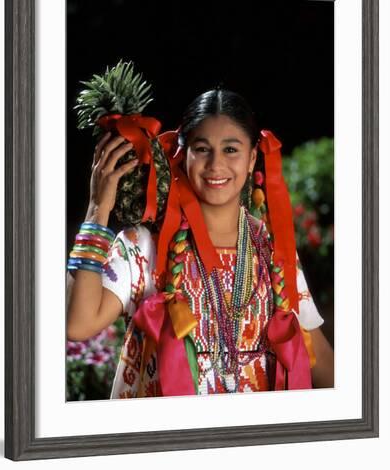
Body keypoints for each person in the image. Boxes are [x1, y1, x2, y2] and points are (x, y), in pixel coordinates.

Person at [66, 89, 334, 398]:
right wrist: (97, 209)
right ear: (183, 154)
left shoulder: (272, 247)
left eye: (231, 149)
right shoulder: (142, 246)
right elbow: (78, 324)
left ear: (252, 159)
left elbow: (319, 356)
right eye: (202, 149)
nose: (215, 164)